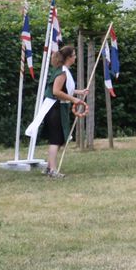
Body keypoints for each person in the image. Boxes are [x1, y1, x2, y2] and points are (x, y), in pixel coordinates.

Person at [41, 46, 88, 179]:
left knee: (58, 139)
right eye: (74, 55)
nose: (75, 57)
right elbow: (56, 91)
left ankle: (49, 167)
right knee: (56, 139)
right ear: (69, 58)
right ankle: (52, 171)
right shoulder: (62, 72)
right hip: (55, 108)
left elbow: (66, 89)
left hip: (58, 108)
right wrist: (74, 100)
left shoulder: (64, 70)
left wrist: (80, 92)